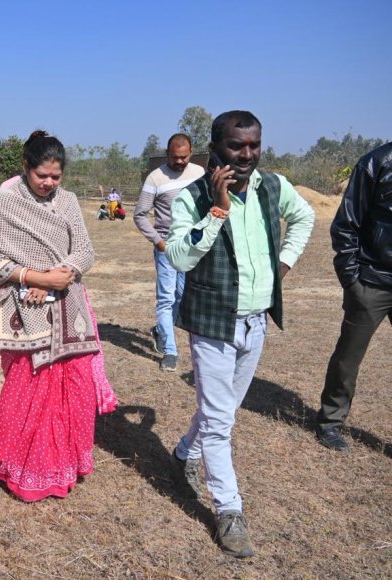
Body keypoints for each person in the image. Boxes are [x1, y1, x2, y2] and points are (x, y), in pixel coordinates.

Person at [166, 111, 315, 557]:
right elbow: (178, 257)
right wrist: (217, 211)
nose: (246, 154)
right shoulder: (191, 197)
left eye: (253, 145)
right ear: (215, 147)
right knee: (220, 421)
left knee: (223, 407)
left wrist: (281, 268)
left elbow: (305, 219)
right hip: (213, 324)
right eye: (236, 146)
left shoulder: (274, 187)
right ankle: (229, 510)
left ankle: (181, 454)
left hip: (255, 321)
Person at [0, 131, 118, 502]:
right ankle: (22, 469)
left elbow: (85, 251)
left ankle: (63, 465)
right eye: (42, 175)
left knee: (71, 388)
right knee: (29, 385)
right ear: (25, 168)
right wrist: (35, 277)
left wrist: (63, 274)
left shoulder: (69, 201)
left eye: (55, 177)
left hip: (68, 305)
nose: (48, 183)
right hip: (25, 308)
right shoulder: (7, 202)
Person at [316, 142, 392, 451]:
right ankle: (330, 422)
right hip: (372, 280)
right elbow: (346, 224)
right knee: (348, 357)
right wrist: (353, 281)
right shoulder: (377, 163)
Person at [134, 134, 205, 372]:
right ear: (167, 154)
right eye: (175, 157)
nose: (180, 162)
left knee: (183, 297)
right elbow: (140, 214)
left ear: (191, 153)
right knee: (166, 298)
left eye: (184, 157)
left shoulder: (199, 173)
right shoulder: (156, 178)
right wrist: (158, 241)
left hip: (192, 247)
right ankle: (170, 351)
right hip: (166, 247)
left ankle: (159, 330)